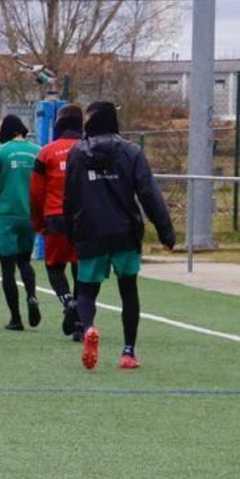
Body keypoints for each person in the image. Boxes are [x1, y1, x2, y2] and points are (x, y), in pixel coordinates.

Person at [63, 101, 175, 370]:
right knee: (128, 291)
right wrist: (165, 231)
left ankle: (89, 328)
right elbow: (148, 193)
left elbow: (70, 198)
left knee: (87, 292)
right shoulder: (131, 152)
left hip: (91, 231)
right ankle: (128, 352)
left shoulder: (77, 153)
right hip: (125, 232)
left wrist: (72, 232)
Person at [0, 114, 43, 331]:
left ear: (7, 130)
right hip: (30, 215)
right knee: (25, 262)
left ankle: (16, 319)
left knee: (7, 269)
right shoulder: (38, 152)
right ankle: (33, 296)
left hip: (6, 216)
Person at [31, 104, 85, 340]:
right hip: (85, 217)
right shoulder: (89, 150)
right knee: (81, 268)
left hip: (55, 216)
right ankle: (81, 322)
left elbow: (35, 193)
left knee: (54, 266)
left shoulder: (46, 153)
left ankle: (68, 301)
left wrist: (38, 222)